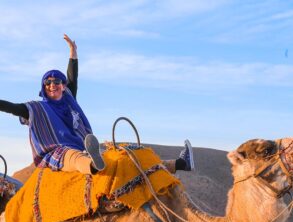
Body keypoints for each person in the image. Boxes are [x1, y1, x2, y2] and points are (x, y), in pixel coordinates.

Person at [0, 34, 194, 175]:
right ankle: (93, 166)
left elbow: (73, 78)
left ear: (62, 86)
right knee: (72, 157)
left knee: (125, 155)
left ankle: (178, 164)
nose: (53, 85)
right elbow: (10, 107)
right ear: (44, 87)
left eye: (57, 82)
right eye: (48, 82)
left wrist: (73, 53)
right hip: (58, 151)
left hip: (84, 146)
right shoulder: (36, 109)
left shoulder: (69, 100)